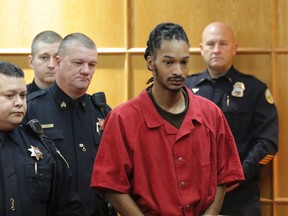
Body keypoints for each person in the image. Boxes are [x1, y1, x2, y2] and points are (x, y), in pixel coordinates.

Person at [90, 22, 244, 216]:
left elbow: (224, 176)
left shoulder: (211, 114)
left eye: (184, 62)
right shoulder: (123, 118)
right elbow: (111, 186)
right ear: (150, 62)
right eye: (169, 62)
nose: (178, 71)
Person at [185, 21, 279, 216]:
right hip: (193, 196)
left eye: (223, 44)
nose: (216, 50)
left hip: (240, 199)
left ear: (234, 49)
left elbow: (267, 142)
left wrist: (237, 176)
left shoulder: (254, 90)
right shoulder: (185, 90)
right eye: (210, 44)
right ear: (201, 49)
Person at [24, 33, 113, 216]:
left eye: (92, 64)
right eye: (78, 63)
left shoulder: (102, 112)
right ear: (58, 63)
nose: (86, 71)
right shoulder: (30, 109)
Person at [0, 61, 83, 216]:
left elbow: (67, 206)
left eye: (23, 95)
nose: (19, 103)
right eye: (9, 96)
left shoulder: (43, 146)